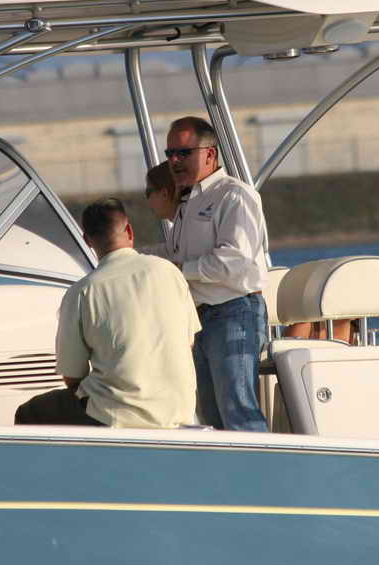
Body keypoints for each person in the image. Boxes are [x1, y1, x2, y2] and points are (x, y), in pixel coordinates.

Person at [14, 198, 200, 428]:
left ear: (86, 240)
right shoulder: (170, 271)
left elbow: (72, 376)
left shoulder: (82, 292)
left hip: (116, 413)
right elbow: (189, 341)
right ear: (129, 230)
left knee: (29, 413)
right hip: (178, 409)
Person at [156, 115, 270, 432]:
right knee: (211, 418)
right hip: (198, 319)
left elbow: (234, 260)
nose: (174, 161)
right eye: (170, 153)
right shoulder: (188, 203)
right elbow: (174, 254)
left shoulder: (235, 196)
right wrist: (131, 258)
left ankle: (262, 463)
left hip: (234, 311)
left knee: (238, 412)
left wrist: (179, 271)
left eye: (183, 153)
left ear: (210, 154)